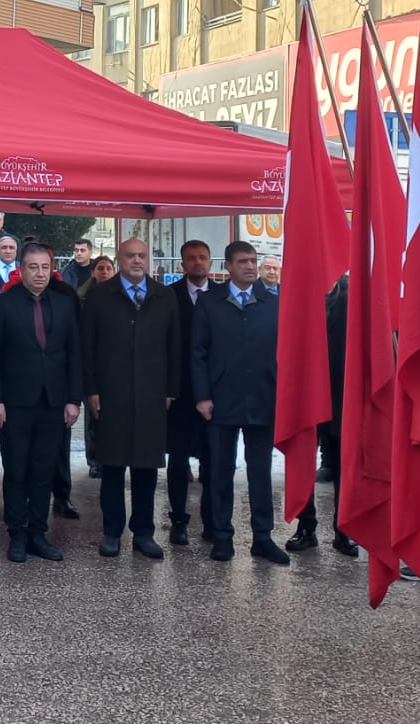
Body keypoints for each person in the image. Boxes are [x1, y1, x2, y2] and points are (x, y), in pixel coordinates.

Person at [188, 240, 288, 565]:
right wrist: (202, 396)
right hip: (221, 400)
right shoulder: (210, 302)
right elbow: (197, 352)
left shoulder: (273, 303)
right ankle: (221, 536)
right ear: (228, 266)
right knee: (220, 471)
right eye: (243, 261)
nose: (250, 266)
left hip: (262, 398)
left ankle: (263, 537)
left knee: (260, 472)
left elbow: (286, 352)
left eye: (253, 261)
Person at [82, 237, 180, 560]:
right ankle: (112, 532)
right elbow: (88, 347)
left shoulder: (164, 296)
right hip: (112, 394)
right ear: (119, 259)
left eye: (141, 255)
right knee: (112, 467)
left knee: (146, 469)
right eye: (130, 256)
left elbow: (174, 346)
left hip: (152, 395)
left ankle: (144, 533)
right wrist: (91, 390)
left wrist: (170, 390)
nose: (137, 261)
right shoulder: (100, 295)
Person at [0, 242, 82, 564]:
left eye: (45, 267)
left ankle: (38, 532)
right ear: (22, 269)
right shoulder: (3, 303)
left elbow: (74, 354)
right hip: (15, 402)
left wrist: (73, 400)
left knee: (44, 469)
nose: (40, 273)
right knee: (16, 468)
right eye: (33, 267)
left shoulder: (65, 304)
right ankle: (17, 532)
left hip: (53, 401)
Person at [291, 274, 358, 558]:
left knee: (344, 465)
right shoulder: (300, 293)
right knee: (302, 460)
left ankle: (344, 531)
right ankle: (306, 527)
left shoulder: (353, 295)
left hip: (343, 393)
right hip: (306, 391)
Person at [166, 240, 214, 548]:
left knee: (213, 460)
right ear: (182, 264)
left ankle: (211, 520)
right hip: (180, 393)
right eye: (192, 258)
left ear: (210, 261)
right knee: (178, 460)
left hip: (214, 393)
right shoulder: (168, 297)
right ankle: (179, 521)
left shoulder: (221, 295)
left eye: (202, 257)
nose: (198, 262)